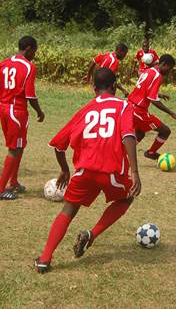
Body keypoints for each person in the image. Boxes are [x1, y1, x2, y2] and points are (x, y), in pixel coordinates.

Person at [34, 67, 141, 273]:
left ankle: (44, 259)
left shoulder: (86, 109)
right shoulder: (124, 106)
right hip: (111, 172)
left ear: (94, 88)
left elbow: (58, 145)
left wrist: (65, 170)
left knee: (69, 210)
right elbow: (128, 135)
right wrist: (135, 172)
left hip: (84, 172)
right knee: (126, 197)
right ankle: (92, 234)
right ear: (114, 86)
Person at [0, 36, 45, 200]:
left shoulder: (5, 63)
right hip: (16, 111)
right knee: (14, 148)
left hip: (3, 109)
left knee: (19, 145)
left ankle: (13, 182)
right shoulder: (29, 67)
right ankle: (0, 190)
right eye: (34, 51)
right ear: (29, 48)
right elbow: (30, 96)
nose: (34, 54)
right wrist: (40, 111)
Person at [128, 54, 176, 160]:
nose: (169, 71)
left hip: (130, 106)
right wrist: (172, 113)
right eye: (169, 68)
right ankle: (151, 152)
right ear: (163, 64)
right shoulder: (158, 76)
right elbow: (154, 101)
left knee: (140, 133)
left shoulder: (150, 70)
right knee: (165, 131)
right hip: (138, 111)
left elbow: (144, 88)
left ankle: (122, 153)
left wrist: (159, 94)